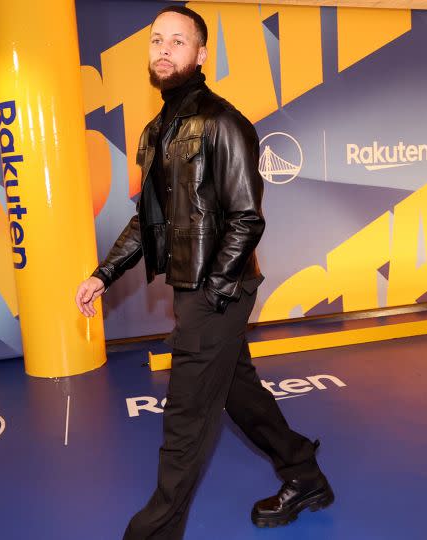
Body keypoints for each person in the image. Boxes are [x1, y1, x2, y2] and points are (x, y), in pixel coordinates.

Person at [75, 6, 333, 539]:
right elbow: (150, 221)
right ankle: (303, 474)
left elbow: (246, 217)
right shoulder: (156, 130)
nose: (164, 50)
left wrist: (213, 295)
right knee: (239, 393)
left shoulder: (223, 122)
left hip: (220, 290)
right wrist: (103, 274)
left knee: (186, 418)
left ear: (201, 54)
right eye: (156, 41)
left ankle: (153, 533)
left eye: (178, 42)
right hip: (194, 288)